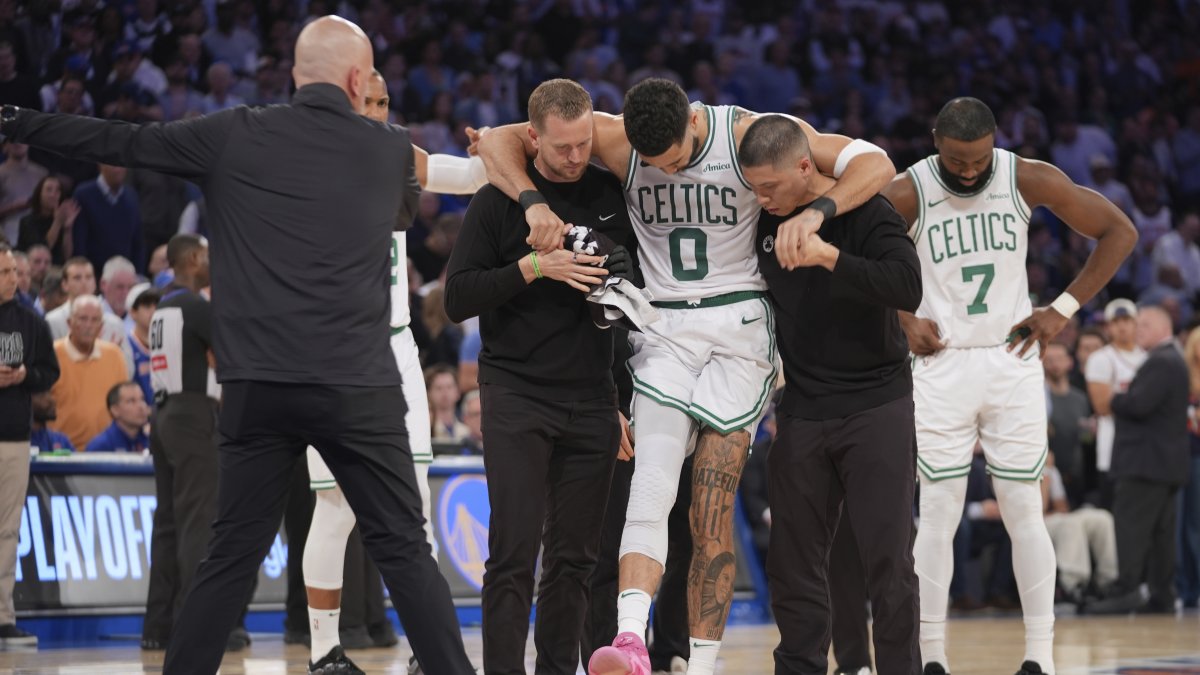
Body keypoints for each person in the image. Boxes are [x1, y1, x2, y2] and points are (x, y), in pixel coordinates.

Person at [0, 15, 475, 674]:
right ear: (356, 79)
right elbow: (401, 211)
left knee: (229, 557)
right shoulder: (389, 150)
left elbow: (123, 140)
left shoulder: (232, 134)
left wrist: (19, 121)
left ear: (296, 73)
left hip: (259, 388)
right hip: (358, 384)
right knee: (405, 546)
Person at [477, 76, 895, 675]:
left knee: (710, 506)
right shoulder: (615, 140)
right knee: (651, 483)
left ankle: (700, 663)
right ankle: (629, 643)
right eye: (654, 167)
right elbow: (495, 142)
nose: (665, 175)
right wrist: (531, 201)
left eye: (673, 162)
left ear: (694, 125)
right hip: (663, 326)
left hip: (738, 326)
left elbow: (873, 162)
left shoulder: (747, 131)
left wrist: (821, 212)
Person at [882, 97, 1137, 675]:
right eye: (955, 160)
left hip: (1013, 356)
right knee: (940, 513)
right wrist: (900, 318)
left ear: (995, 141)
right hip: (942, 364)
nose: (968, 171)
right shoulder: (908, 189)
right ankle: (932, 658)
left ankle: (1039, 658)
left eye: (976, 160)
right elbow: (846, 258)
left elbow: (1119, 231)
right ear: (935, 142)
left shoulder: (1026, 176)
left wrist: (1065, 308)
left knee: (1026, 508)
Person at [444, 77, 634, 675]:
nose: (576, 157)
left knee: (576, 559)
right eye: (561, 148)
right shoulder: (498, 200)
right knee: (513, 556)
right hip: (517, 393)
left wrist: (621, 401)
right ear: (533, 138)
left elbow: (628, 298)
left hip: (591, 397)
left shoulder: (608, 191)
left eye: (583, 144)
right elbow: (457, 297)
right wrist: (532, 267)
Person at [299, 68, 486, 674]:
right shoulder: (304, 162)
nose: (377, 112)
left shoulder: (399, 155)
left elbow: (470, 175)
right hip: (332, 348)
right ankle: (325, 650)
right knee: (337, 508)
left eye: (384, 102)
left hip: (397, 346)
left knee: (416, 508)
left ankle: (421, 652)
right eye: (367, 101)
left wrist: (508, 145)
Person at [738, 115, 922, 675]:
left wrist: (828, 256)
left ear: (804, 166)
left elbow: (906, 285)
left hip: (877, 403)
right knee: (793, 562)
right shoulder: (761, 220)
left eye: (769, 186)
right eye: (753, 187)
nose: (760, 198)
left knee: (888, 560)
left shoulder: (865, 212)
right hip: (803, 410)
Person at [1087, 305, 1190, 614]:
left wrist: (1116, 398)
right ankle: (1161, 594)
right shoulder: (1172, 359)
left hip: (1144, 463)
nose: (1137, 330)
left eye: (1144, 325)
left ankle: (1127, 589)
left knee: (1131, 527)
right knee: (1161, 533)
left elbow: (1138, 404)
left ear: (1162, 328)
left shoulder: (1160, 361)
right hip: (1165, 464)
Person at [0, 243, 59, 647]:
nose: (13, 279)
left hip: (13, 437)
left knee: (7, 531)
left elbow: (49, 372)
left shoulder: (30, 320)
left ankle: (3, 615)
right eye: (4, 273)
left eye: (13, 272)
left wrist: (24, 376)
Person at [1085, 299, 1147, 507]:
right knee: (1114, 515)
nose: (1122, 326)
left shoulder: (1149, 357)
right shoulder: (1100, 358)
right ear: (1108, 326)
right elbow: (1102, 406)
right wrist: (1144, 403)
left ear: (1136, 323)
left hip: (1145, 449)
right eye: (1116, 321)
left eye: (1127, 320)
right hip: (1112, 449)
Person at [49, 295, 128, 449]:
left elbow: (123, 406)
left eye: (94, 320)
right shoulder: (51, 354)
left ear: (102, 327)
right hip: (62, 454)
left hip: (107, 452)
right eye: (83, 319)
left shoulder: (115, 355)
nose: (89, 325)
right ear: (69, 323)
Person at [43, 257, 128, 352]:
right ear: (65, 285)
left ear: (95, 283)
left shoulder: (115, 324)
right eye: (77, 278)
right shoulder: (52, 321)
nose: (84, 282)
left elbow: (127, 365)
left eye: (88, 277)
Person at [16, 175, 77, 265]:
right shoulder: (27, 221)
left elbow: (67, 257)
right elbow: (42, 252)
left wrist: (68, 229)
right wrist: (57, 222)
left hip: (57, 269)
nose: (53, 195)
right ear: (39, 193)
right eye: (49, 190)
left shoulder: (61, 219)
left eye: (57, 190)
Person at [85, 380, 150, 452]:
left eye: (142, 399)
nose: (141, 406)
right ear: (115, 410)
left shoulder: (150, 440)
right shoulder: (100, 447)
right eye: (131, 401)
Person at [125, 282, 159, 410]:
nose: (153, 311)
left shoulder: (166, 342)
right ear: (133, 312)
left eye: (156, 305)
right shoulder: (126, 345)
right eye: (147, 306)